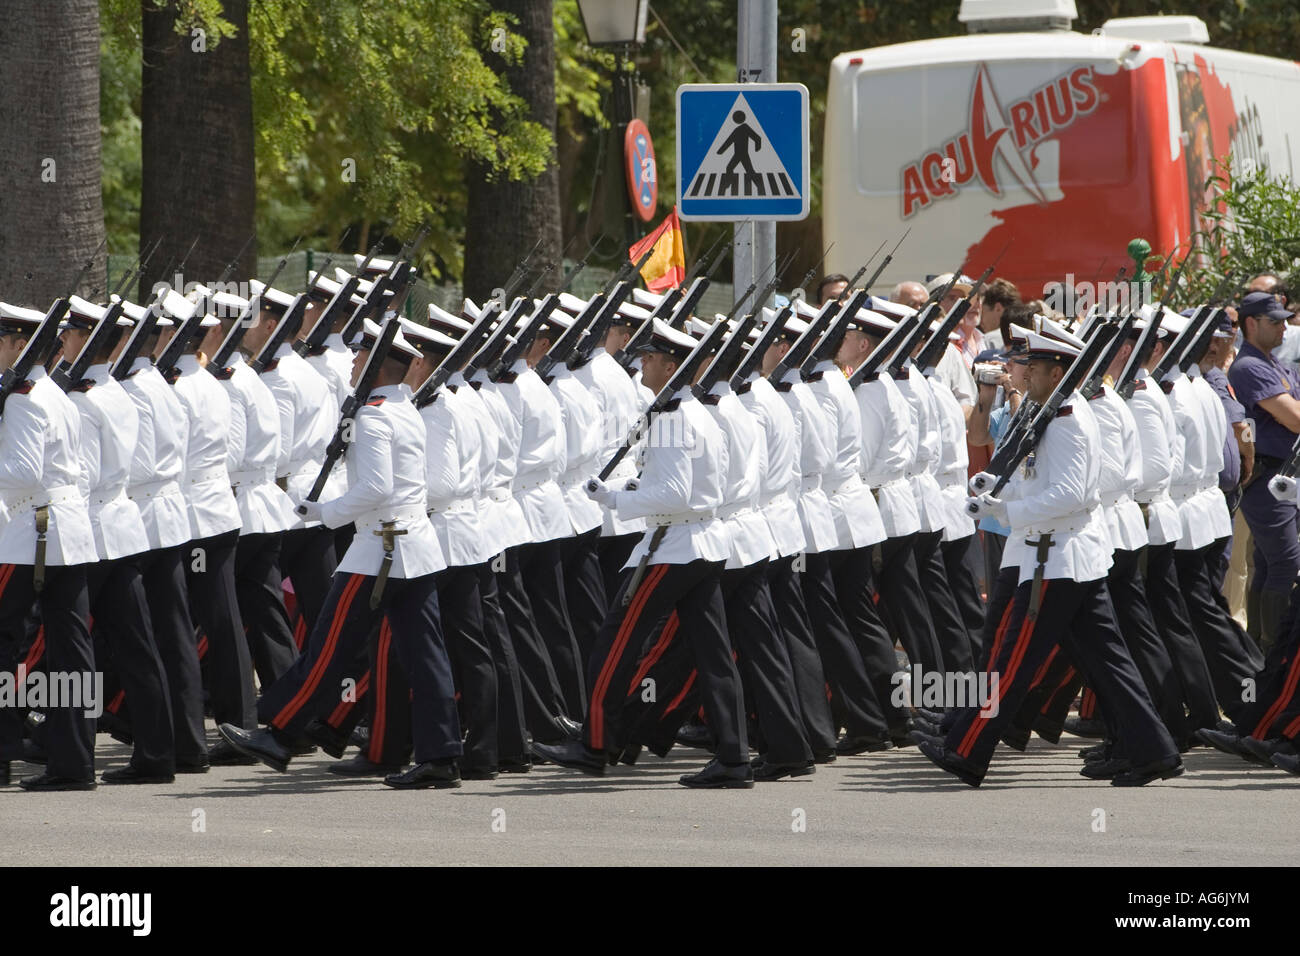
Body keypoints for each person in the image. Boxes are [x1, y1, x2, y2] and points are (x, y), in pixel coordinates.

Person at [922, 331, 1183, 787]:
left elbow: (1072, 494)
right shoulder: (1055, 414)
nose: (1024, 373)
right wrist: (998, 491)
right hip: (1060, 557)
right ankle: (1154, 751)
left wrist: (1007, 510)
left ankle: (967, 750)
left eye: (1034, 368)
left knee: (1013, 659)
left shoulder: (1067, 421)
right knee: (1109, 664)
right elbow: (1041, 478)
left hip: (1055, 559)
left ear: (1057, 373)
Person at [219, 318, 465, 789]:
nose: (352, 362)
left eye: (360, 356)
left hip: (380, 551)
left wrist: (323, 512)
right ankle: (440, 753)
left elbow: (376, 488)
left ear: (376, 365)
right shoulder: (402, 409)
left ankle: (280, 734)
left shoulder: (374, 416)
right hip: (411, 548)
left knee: (329, 647)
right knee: (425, 655)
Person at [534, 319, 753, 788]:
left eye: (651, 358)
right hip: (703, 543)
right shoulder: (696, 413)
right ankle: (734, 757)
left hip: (673, 547)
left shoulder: (672, 418)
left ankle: (594, 744)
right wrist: (628, 487)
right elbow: (683, 486)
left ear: (671, 365)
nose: (642, 363)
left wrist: (616, 500)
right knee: (713, 656)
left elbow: (672, 493)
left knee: (615, 644)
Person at [0, 302, 100, 791]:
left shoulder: (22, 399)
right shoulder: (54, 392)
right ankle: (74, 761)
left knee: (5, 640)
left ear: (21, 344)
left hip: (29, 535)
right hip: (66, 534)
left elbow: (23, 472)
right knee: (72, 651)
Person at [1228, 291, 1300, 652]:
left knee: (1270, 564)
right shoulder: (1249, 366)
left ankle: (1259, 646)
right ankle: (1275, 650)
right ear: (1251, 324)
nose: (1284, 327)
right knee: (1285, 564)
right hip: (1268, 478)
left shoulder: (1275, 364)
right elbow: (1296, 418)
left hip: (1282, 477)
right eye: (1275, 321)